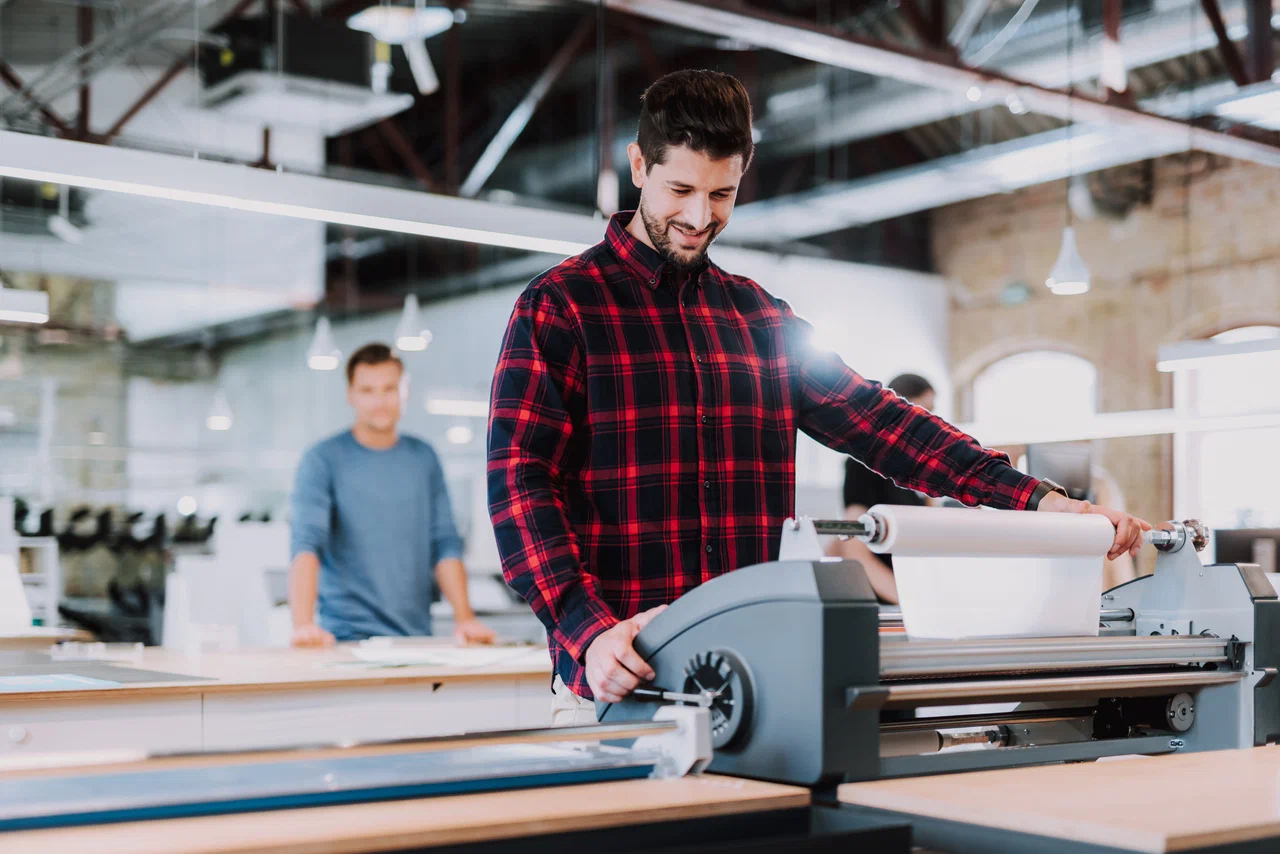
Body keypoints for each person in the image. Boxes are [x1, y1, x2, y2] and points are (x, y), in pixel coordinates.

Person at [486, 70, 1149, 724]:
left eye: (721, 194)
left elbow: (884, 424)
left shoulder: (760, 320)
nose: (698, 217)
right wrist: (587, 629)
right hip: (620, 678)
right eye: (680, 190)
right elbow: (520, 487)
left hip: (748, 681)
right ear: (639, 165)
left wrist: (1040, 501)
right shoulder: (560, 308)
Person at [289, 343, 495, 648]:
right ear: (350, 395)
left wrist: (465, 619)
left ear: (405, 392)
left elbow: (445, 543)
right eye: (367, 390)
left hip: (416, 640)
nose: (379, 401)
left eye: (389, 388)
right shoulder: (322, 459)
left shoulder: (424, 458)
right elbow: (307, 544)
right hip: (346, 639)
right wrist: (303, 625)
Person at [827, 373, 937, 604]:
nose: (931, 422)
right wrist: (909, 602)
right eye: (925, 411)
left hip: (910, 591)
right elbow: (855, 550)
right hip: (882, 599)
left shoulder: (915, 471)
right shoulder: (863, 465)